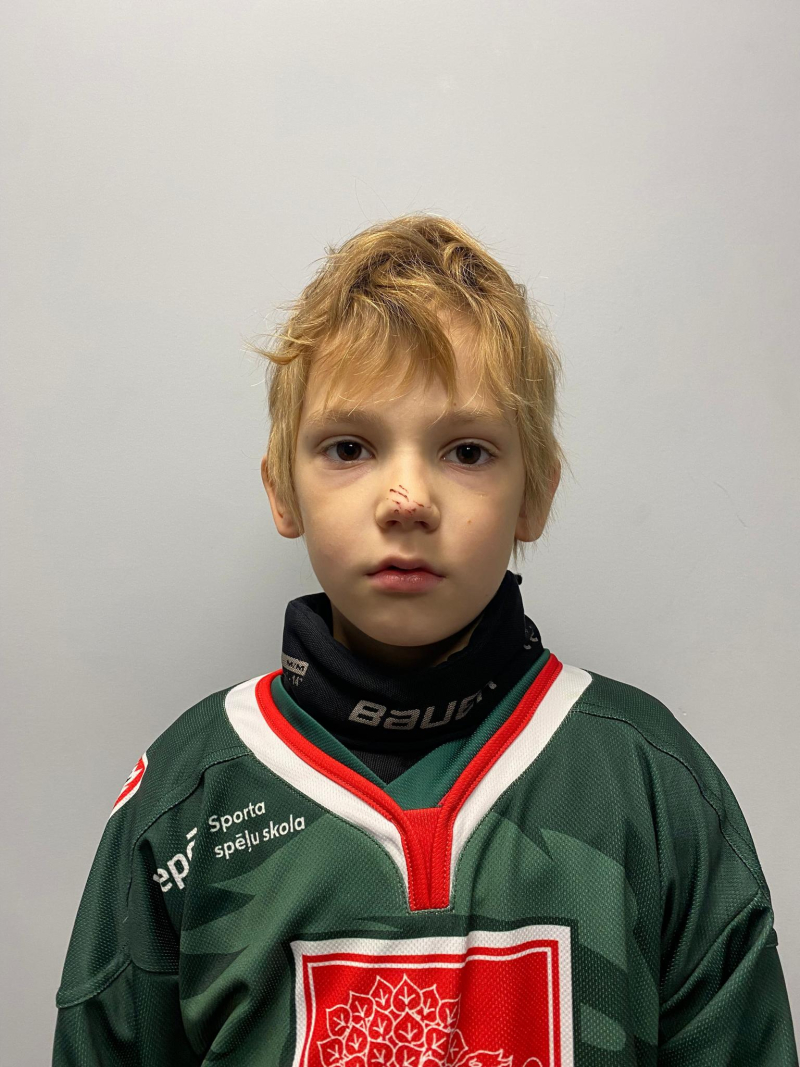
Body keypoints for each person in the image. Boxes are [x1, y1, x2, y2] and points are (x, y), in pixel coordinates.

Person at [53, 214, 798, 1065]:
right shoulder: (186, 798)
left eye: (467, 451)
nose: (406, 498)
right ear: (282, 489)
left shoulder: (653, 784)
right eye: (349, 447)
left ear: (535, 494)